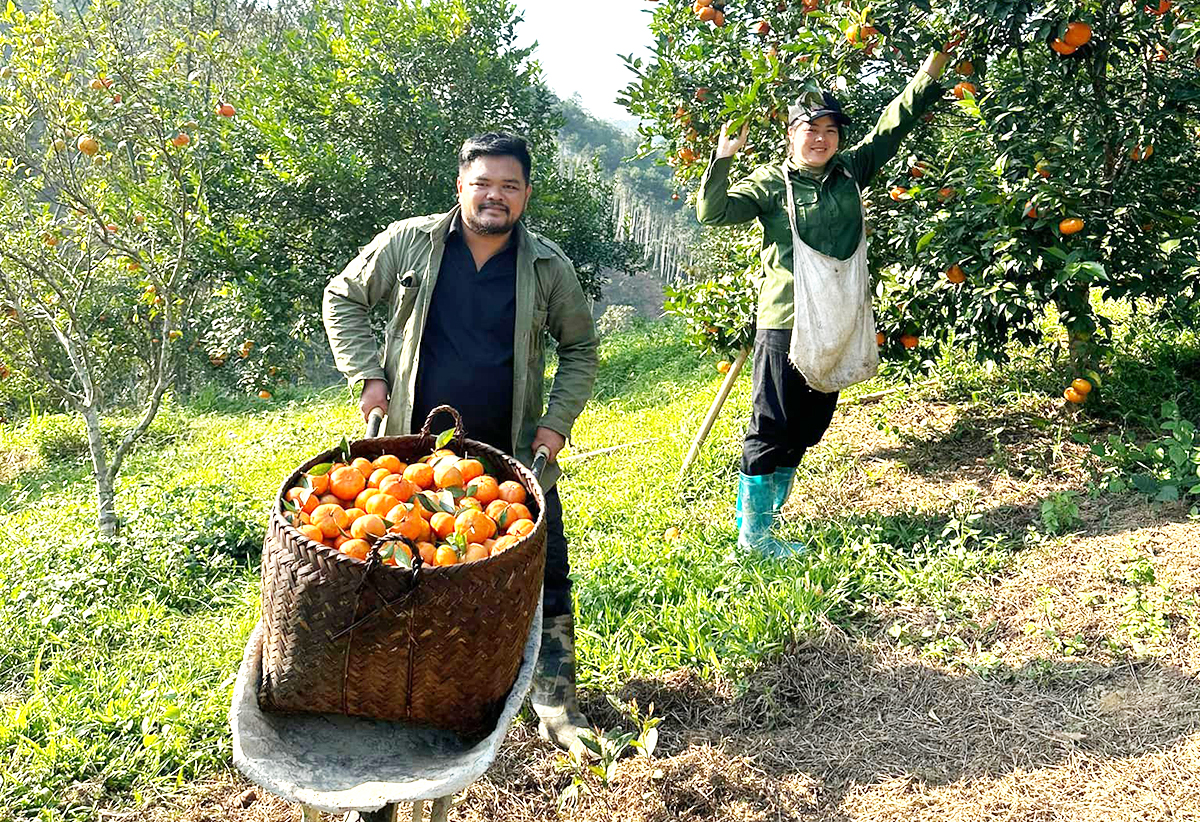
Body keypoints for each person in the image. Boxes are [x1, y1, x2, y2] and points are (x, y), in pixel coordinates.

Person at [322, 132, 599, 754]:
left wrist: (554, 426)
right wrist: (369, 375)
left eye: (509, 186)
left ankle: (554, 699)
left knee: (544, 571)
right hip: (410, 456)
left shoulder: (547, 267)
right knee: (397, 563)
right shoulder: (410, 243)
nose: (494, 197)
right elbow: (342, 295)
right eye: (483, 184)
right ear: (460, 186)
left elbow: (580, 347)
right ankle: (405, 690)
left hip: (510, 456)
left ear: (526, 194)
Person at [697, 49, 955, 557]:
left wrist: (928, 73)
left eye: (830, 130)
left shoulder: (850, 171)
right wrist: (723, 158)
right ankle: (753, 537)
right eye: (809, 129)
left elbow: (890, 128)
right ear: (791, 135)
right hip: (786, 321)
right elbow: (713, 213)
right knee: (771, 424)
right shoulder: (771, 183)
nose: (821, 138)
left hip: (838, 317)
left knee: (809, 427)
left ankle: (771, 520)